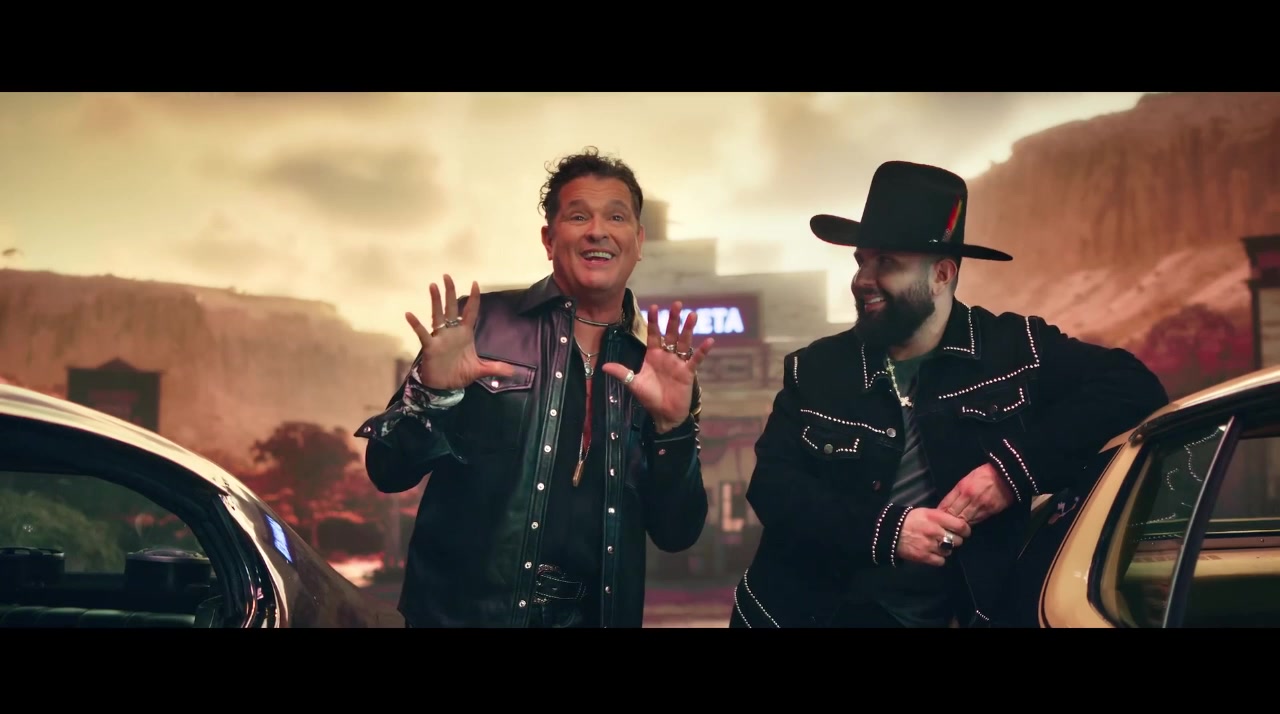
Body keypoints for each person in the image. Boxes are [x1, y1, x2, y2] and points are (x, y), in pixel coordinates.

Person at [728, 160, 1169, 628]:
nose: (862, 279)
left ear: (941, 274)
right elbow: (773, 487)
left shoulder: (1015, 348)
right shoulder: (816, 368)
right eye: (861, 261)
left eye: (886, 263)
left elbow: (1133, 385)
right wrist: (889, 532)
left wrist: (1009, 473)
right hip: (804, 616)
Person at [354, 146, 713, 628]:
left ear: (638, 239)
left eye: (616, 217)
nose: (598, 231)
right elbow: (387, 471)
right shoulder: (481, 327)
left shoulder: (655, 365)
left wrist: (673, 428)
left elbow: (677, 532)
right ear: (549, 238)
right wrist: (432, 394)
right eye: (578, 216)